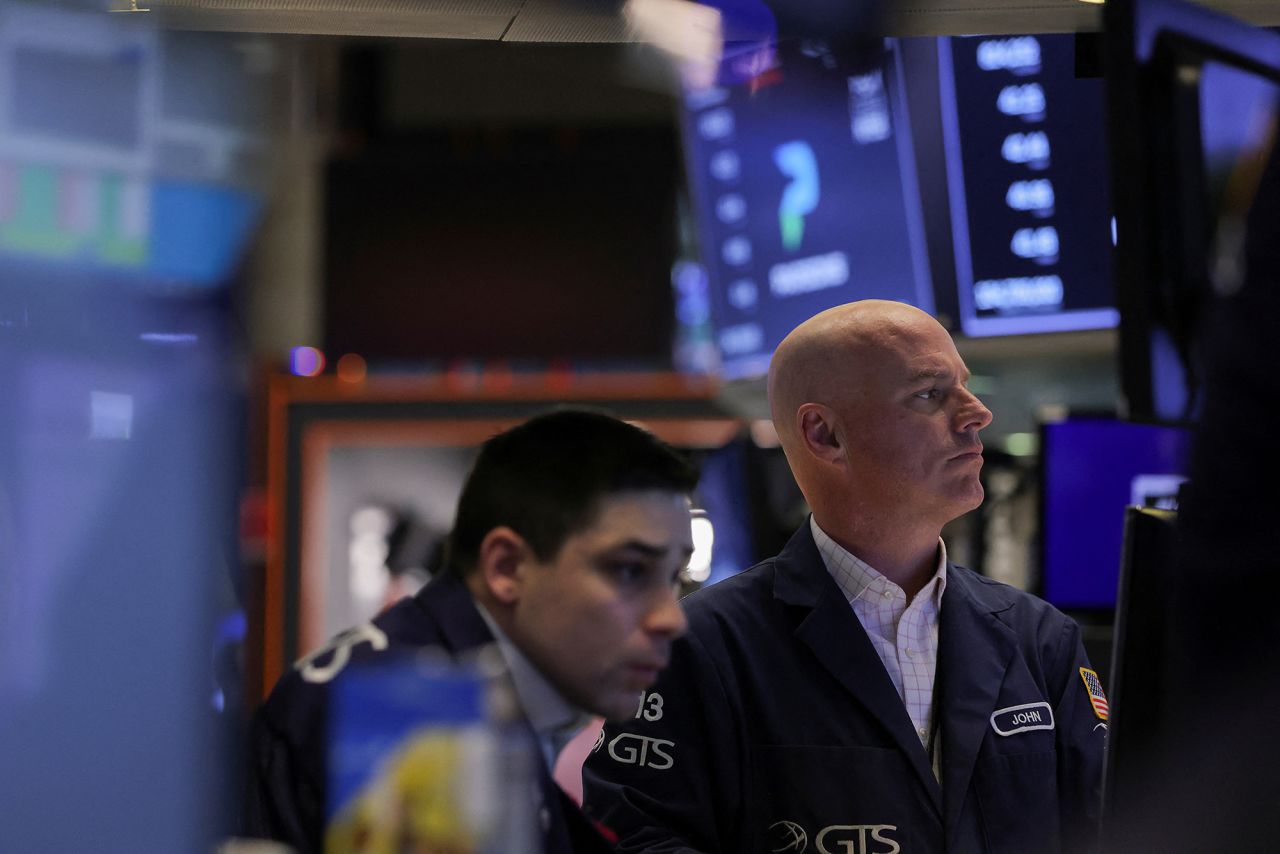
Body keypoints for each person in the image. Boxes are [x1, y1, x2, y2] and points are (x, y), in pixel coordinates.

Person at [582, 300, 1105, 854]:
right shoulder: (695, 648)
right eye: (930, 393)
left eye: (966, 387)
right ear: (825, 434)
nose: (977, 412)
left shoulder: (1040, 639)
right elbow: (631, 838)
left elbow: (1114, 826)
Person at [244, 408, 699, 854]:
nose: (671, 618)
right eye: (630, 571)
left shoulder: (473, 690)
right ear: (507, 567)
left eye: (673, 576)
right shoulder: (411, 709)